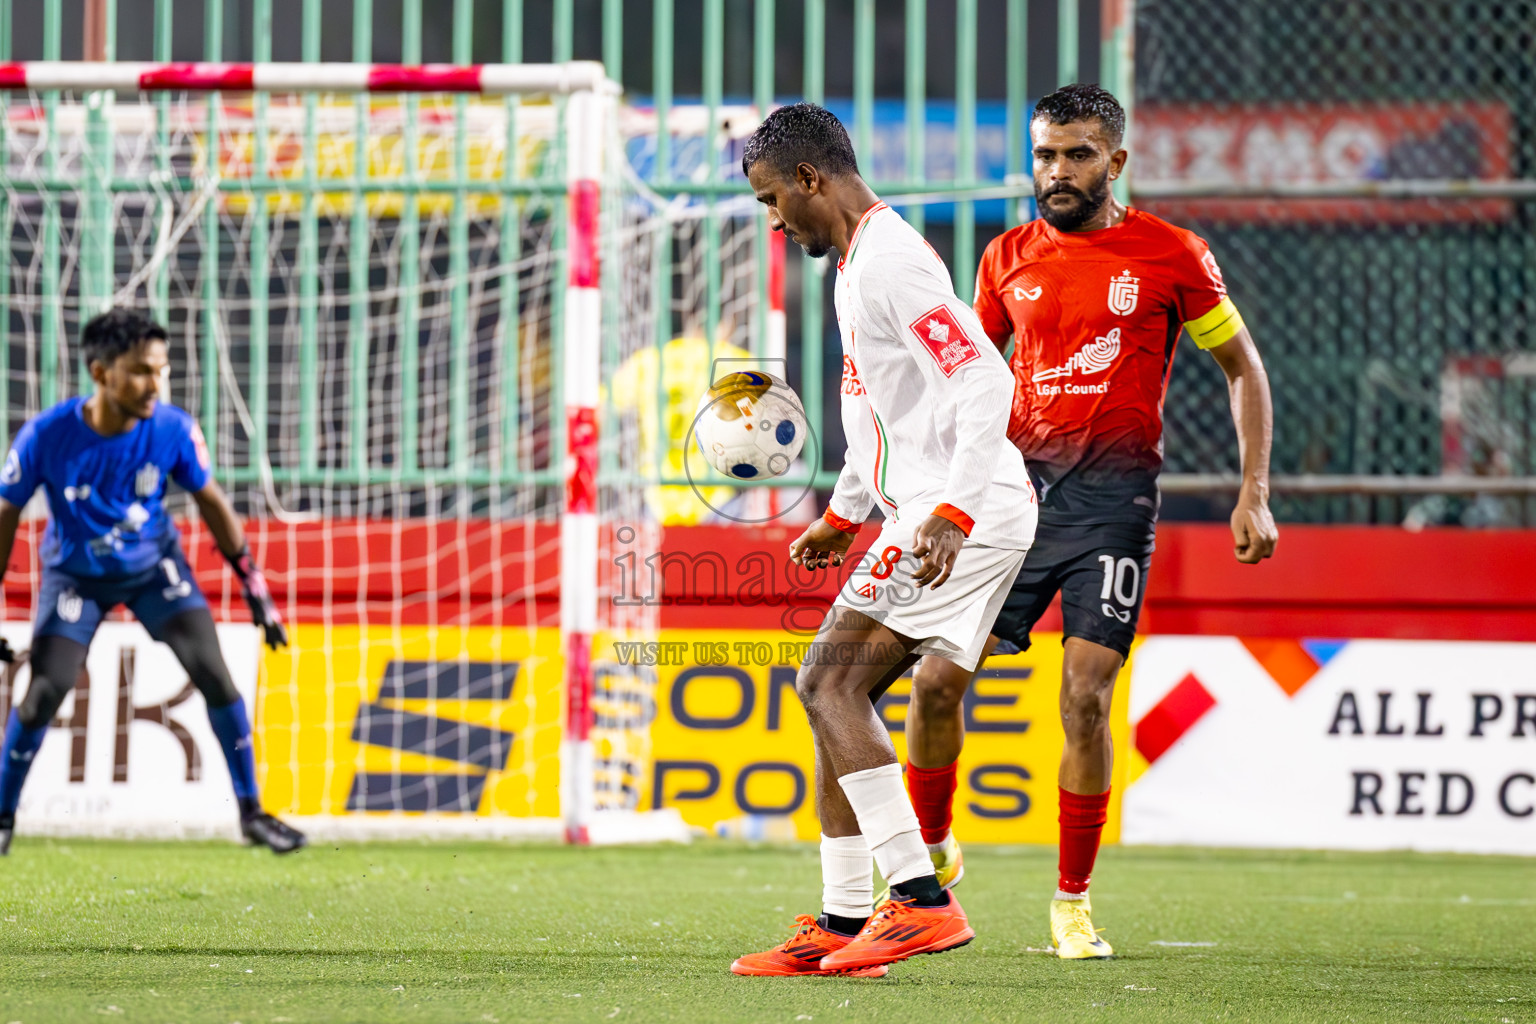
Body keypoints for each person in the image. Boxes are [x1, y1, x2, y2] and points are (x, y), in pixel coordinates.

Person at [899, 84, 1278, 959]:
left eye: (1075, 155)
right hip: (1011, 502)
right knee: (933, 686)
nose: (1056, 172)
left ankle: (1072, 904)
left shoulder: (1172, 255)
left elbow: (1242, 366)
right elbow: (966, 382)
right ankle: (933, 851)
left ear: (1116, 161)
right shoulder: (1004, 258)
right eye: (1043, 155)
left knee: (1084, 699)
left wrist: (1252, 489)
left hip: (1111, 509)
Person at [731, 104, 1037, 977]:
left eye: (771, 200)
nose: (774, 219)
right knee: (836, 693)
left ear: (811, 180)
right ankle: (841, 917)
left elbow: (985, 382)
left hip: (960, 513)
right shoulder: (859, 258)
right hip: (924, 507)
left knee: (828, 680)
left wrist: (956, 513)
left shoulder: (891, 263)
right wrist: (844, 509)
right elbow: (880, 409)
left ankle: (921, 902)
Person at [0, 309, 305, 855]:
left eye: (161, 370)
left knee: (215, 675)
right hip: (76, 578)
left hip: (153, 570)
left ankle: (252, 813)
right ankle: (2, 818)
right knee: (44, 692)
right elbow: (5, 515)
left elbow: (211, 500)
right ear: (100, 373)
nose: (155, 384)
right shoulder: (46, 436)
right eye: (141, 370)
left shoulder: (172, 428)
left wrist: (252, 585)